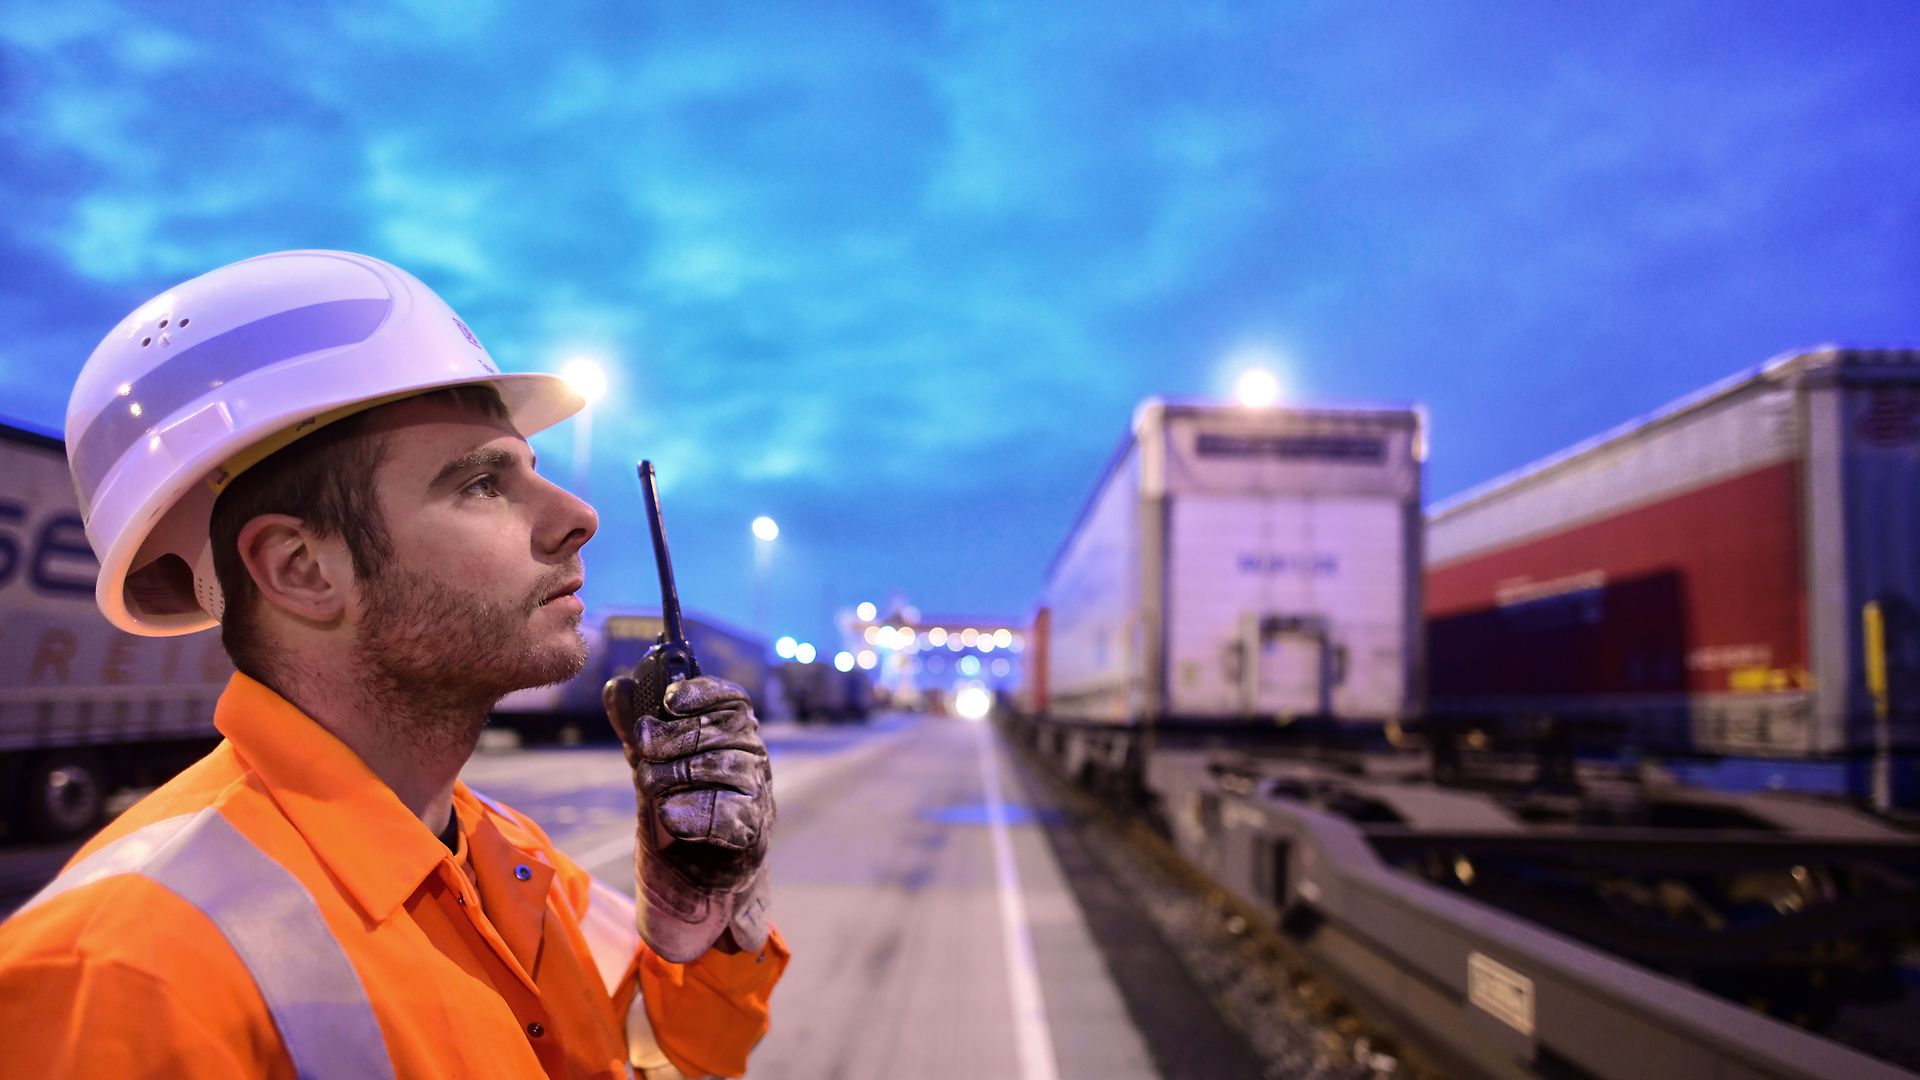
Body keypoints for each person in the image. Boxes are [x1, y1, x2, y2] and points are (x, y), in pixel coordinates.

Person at [0, 250, 786, 1078]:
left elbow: (670, 1058)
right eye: (482, 483)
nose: (578, 517)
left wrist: (697, 922)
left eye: (532, 469)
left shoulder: (510, 860)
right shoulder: (120, 973)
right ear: (303, 569)